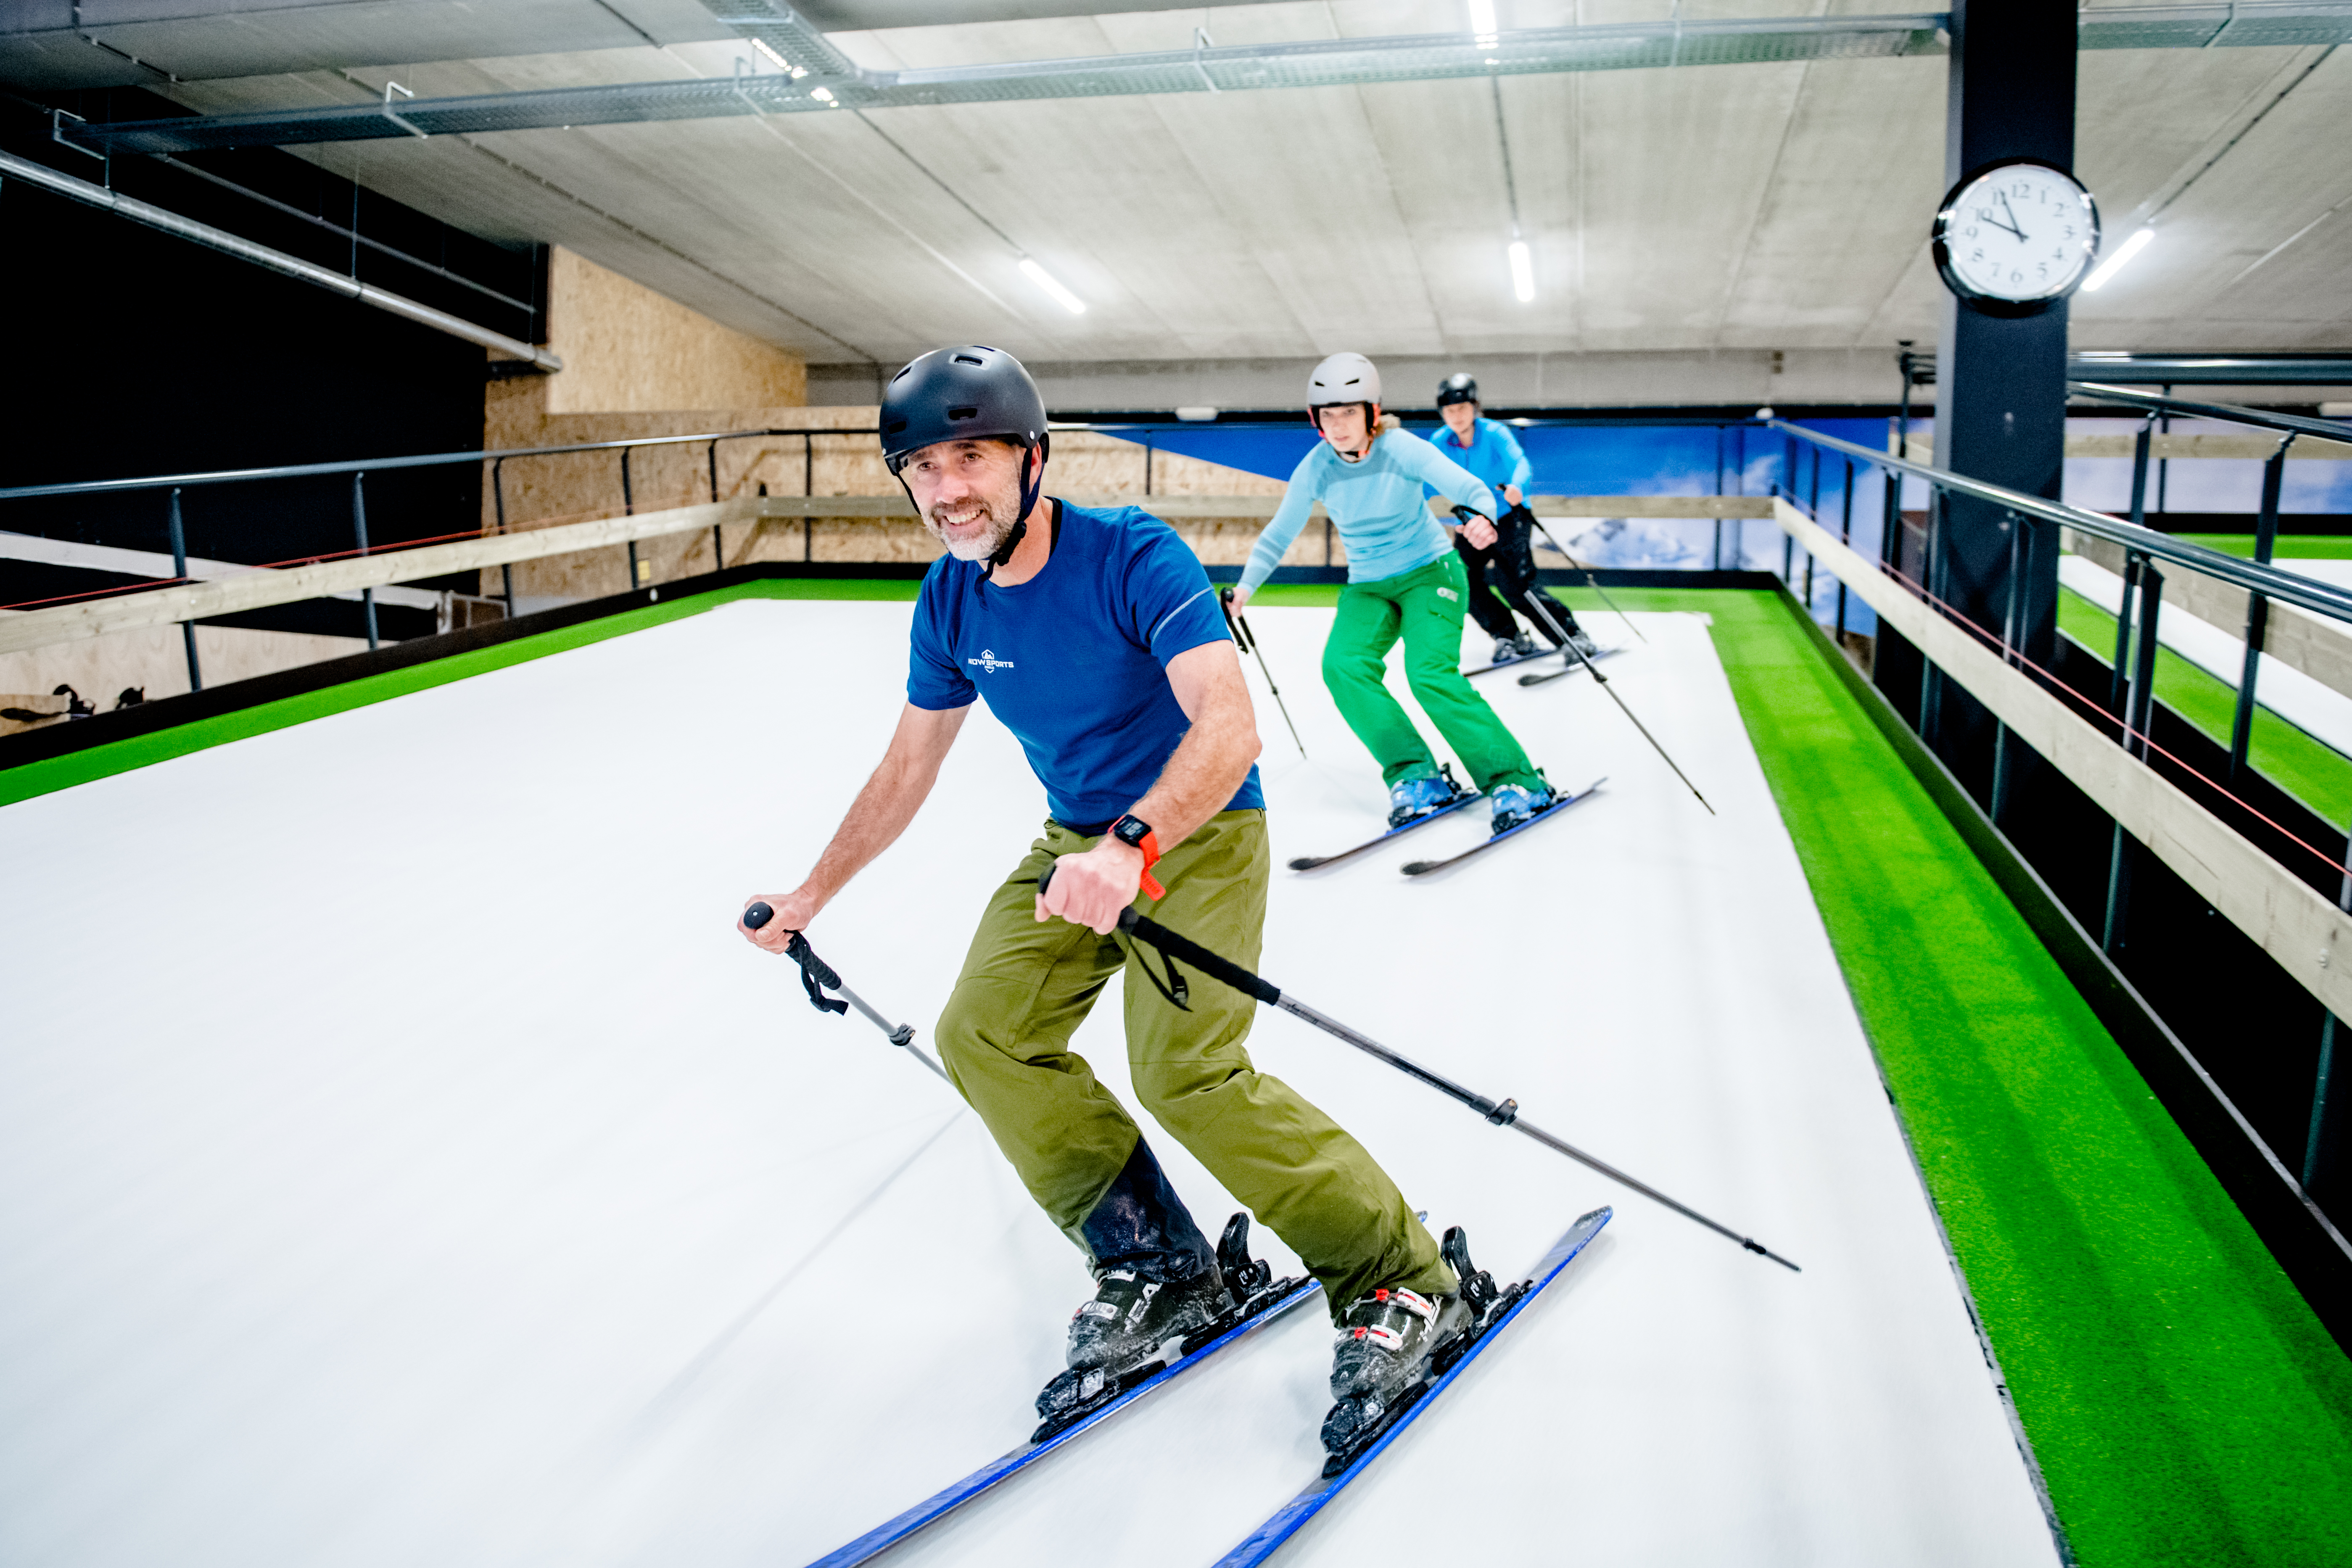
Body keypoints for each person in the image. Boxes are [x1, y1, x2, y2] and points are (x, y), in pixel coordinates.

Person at [737, 344, 1458, 1433]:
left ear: (1033, 457)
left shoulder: (1132, 555)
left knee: (1189, 1077)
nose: (946, 491)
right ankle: (1160, 1264)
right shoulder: (949, 601)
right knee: (985, 1033)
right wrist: (809, 894)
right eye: (921, 468)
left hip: (1197, 831)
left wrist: (1132, 842)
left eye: (968, 456)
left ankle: (1398, 1276)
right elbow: (905, 767)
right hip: (1076, 844)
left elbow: (1228, 724)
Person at [1230, 353, 1560, 834]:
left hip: (1432, 572)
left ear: (1372, 412)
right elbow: (1280, 533)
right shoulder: (1317, 467)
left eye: (1348, 413)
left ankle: (1517, 781)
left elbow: (1467, 487)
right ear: (1315, 420)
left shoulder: (1401, 447)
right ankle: (1416, 774)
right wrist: (1244, 589)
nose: (1338, 425)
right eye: (1328, 415)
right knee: (1342, 666)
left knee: (1428, 673)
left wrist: (1482, 517)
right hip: (1369, 585)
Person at [1431, 371, 1599, 666]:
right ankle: (1508, 636)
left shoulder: (1493, 433)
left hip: (1509, 515)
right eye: (1449, 410)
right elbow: (1425, 478)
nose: (1456, 415)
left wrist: (1518, 487)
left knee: (1515, 586)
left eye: (1462, 408)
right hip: (1472, 522)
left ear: (1475, 407)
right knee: (1461, 580)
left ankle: (1572, 636)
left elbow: (1519, 461)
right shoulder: (1440, 442)